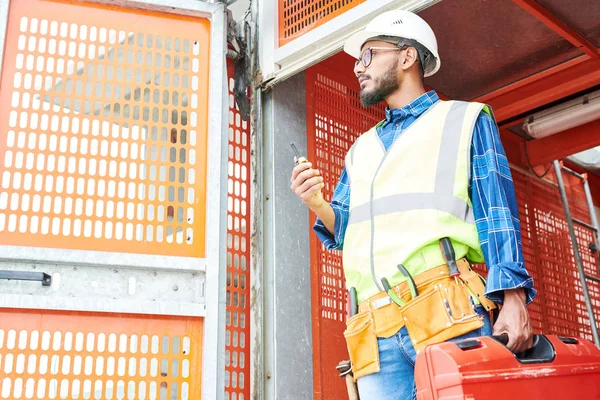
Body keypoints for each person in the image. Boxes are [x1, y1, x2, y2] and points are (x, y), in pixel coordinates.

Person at [290, 9, 536, 400]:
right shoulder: (361, 149)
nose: (357, 67)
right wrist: (317, 203)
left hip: (447, 312)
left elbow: (498, 214)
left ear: (407, 58)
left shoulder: (464, 119)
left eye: (368, 54)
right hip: (373, 328)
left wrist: (513, 298)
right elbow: (347, 229)